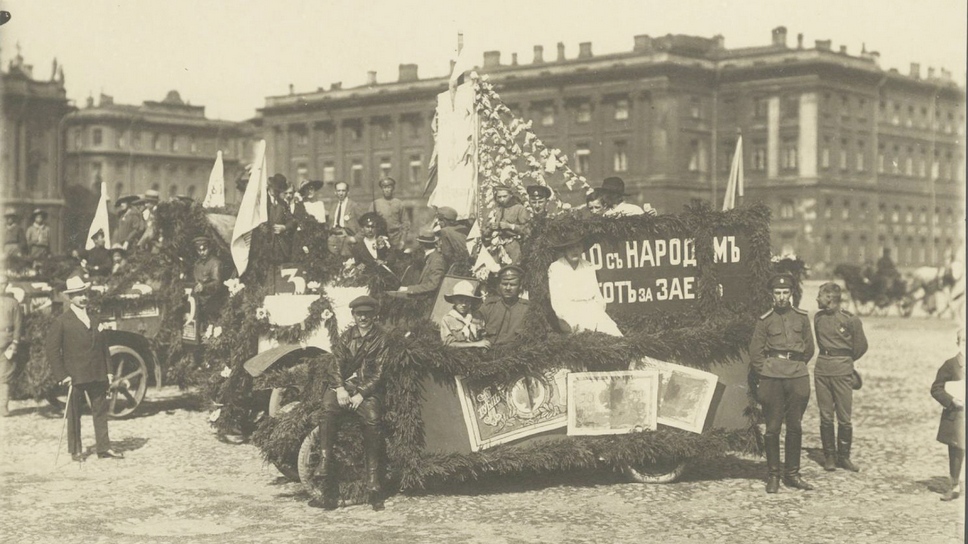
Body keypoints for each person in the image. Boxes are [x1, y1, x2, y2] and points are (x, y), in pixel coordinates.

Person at [311, 295, 391, 511]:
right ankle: (324, 462)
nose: (363, 318)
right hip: (345, 385)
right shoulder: (347, 337)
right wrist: (339, 388)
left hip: (367, 389)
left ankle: (373, 481)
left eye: (367, 314)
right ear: (353, 315)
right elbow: (336, 365)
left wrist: (361, 394)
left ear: (374, 316)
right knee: (328, 409)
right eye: (359, 314)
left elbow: (380, 372)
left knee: (373, 419)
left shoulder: (381, 339)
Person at [44, 275, 124, 461]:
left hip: (98, 373)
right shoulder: (62, 321)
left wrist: (109, 371)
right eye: (79, 294)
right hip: (75, 376)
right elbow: (52, 350)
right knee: (74, 414)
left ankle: (104, 448)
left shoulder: (94, 319)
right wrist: (62, 375)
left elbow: (104, 348)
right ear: (70, 297)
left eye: (84, 293)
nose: (83, 297)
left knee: (101, 412)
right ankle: (76, 450)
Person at [749, 273, 815, 493]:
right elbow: (756, 353)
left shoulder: (802, 317)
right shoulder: (765, 320)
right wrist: (768, 370)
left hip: (797, 376)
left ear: (791, 293)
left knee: (795, 426)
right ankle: (774, 475)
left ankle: (792, 474)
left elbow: (809, 348)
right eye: (777, 293)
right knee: (772, 428)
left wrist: (796, 365)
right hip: (772, 378)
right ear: (772, 295)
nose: (781, 297)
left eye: (785, 292)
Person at [813, 282, 868, 472]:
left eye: (820, 295)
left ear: (829, 297)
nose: (817, 299)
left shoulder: (851, 320)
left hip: (842, 370)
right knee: (825, 416)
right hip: (822, 369)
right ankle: (829, 456)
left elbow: (861, 347)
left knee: (844, 417)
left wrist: (844, 360)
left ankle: (844, 457)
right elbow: (820, 341)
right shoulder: (818, 318)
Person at [547, 236, 622, 337]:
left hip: (591, 310)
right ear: (565, 250)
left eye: (578, 247)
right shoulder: (556, 268)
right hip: (569, 313)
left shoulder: (588, 266)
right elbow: (557, 300)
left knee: (614, 335)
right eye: (571, 247)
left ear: (582, 248)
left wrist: (599, 313)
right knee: (584, 337)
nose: (575, 251)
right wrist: (565, 319)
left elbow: (597, 295)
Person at [931, 328, 965, 501]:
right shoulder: (950, 365)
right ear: (958, 343)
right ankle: (954, 485)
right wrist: (952, 400)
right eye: (964, 341)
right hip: (958, 415)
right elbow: (936, 389)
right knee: (956, 452)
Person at [480, 265, 530, 346]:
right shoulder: (488, 307)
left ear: (520, 286)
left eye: (513, 284)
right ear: (499, 285)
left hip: (518, 352)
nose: (508, 288)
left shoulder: (527, 309)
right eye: (504, 284)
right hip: (491, 351)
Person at [389, 226, 445, 298]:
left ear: (422, 244)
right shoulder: (427, 256)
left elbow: (433, 285)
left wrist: (408, 289)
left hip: (427, 299)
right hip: (421, 295)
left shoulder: (437, 260)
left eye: (419, 242)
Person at [485, 185, 531, 264]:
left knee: (513, 269)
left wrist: (510, 226)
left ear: (511, 195)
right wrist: (490, 227)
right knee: (494, 268)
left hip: (513, 246)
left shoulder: (519, 208)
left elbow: (527, 230)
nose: (502, 199)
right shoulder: (496, 210)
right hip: (496, 246)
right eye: (499, 197)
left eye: (504, 196)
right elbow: (485, 233)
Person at [440, 280, 490, 348]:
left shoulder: (477, 317)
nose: (464, 304)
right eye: (460, 300)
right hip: (455, 353)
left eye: (467, 301)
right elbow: (448, 344)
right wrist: (475, 344)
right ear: (454, 301)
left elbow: (484, 336)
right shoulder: (447, 319)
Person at [191, 236, 224, 337]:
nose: (202, 252)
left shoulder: (215, 263)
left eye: (204, 249)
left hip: (212, 303)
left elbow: (217, 283)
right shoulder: (197, 264)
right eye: (199, 250)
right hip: (198, 303)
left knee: (210, 331)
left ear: (209, 248)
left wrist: (204, 287)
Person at [0, 274, 23, 416]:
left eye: (3, 284)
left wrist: (15, 342)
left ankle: (3, 405)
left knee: (5, 376)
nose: (1, 287)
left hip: (6, 341)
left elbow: (18, 324)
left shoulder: (13, 303)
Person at [371, 178, 409, 250]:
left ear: (393, 188)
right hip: (381, 238)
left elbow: (405, 223)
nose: (387, 190)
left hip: (396, 238)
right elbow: (370, 223)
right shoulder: (375, 204)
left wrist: (402, 241)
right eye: (384, 187)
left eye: (389, 187)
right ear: (382, 189)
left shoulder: (399, 203)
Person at [266, 174, 295, 264]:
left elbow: (291, 220)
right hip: (265, 245)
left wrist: (284, 227)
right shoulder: (262, 202)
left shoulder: (283, 204)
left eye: (279, 190)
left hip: (281, 246)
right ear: (270, 187)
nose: (277, 192)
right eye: (275, 189)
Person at [327, 181, 358, 259]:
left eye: (343, 191)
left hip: (346, 238)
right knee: (333, 261)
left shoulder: (353, 206)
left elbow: (362, 224)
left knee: (346, 261)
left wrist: (356, 238)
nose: (341, 193)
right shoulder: (333, 206)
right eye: (338, 191)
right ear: (335, 192)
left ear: (348, 192)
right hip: (333, 238)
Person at [435, 206, 470, 273]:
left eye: (440, 220)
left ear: (445, 220)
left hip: (457, 267)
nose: (439, 223)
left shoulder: (445, 231)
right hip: (469, 264)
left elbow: (447, 254)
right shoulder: (464, 228)